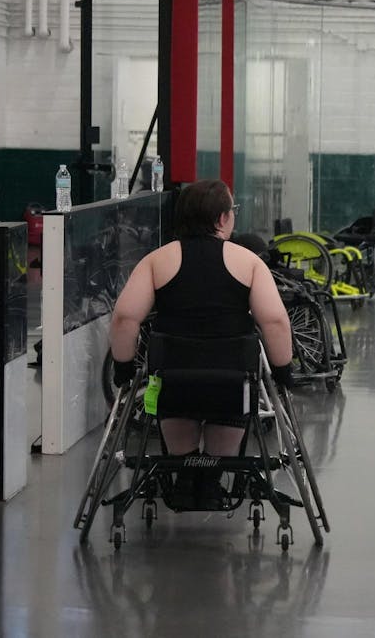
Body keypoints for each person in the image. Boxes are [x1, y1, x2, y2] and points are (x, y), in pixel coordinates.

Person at [109, 179, 293, 508]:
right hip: (231, 383)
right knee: (231, 388)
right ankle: (209, 479)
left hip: (172, 382)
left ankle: (186, 476)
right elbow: (275, 322)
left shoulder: (156, 261)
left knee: (174, 387)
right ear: (222, 218)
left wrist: (123, 367)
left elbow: (124, 318)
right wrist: (283, 370)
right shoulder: (248, 262)